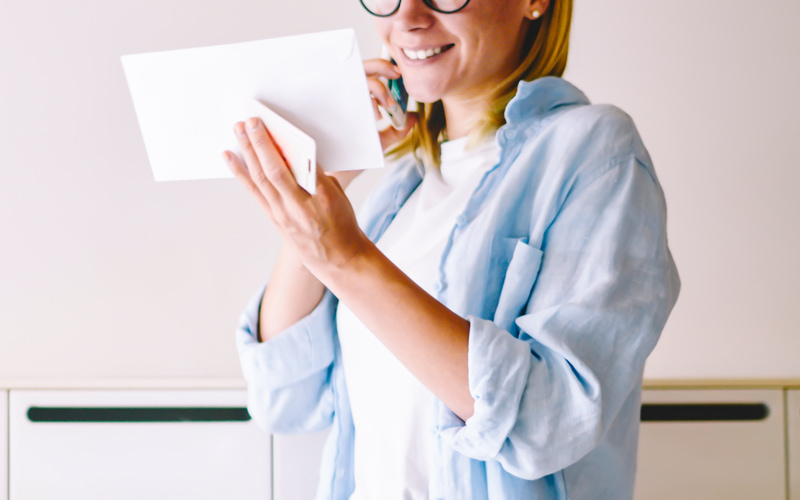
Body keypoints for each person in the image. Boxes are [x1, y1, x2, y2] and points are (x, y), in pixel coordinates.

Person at [222, 0, 680, 497]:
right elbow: (282, 398)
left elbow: (547, 424)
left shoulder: (594, 152)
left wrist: (348, 259)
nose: (407, 17)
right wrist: (330, 182)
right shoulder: (402, 193)